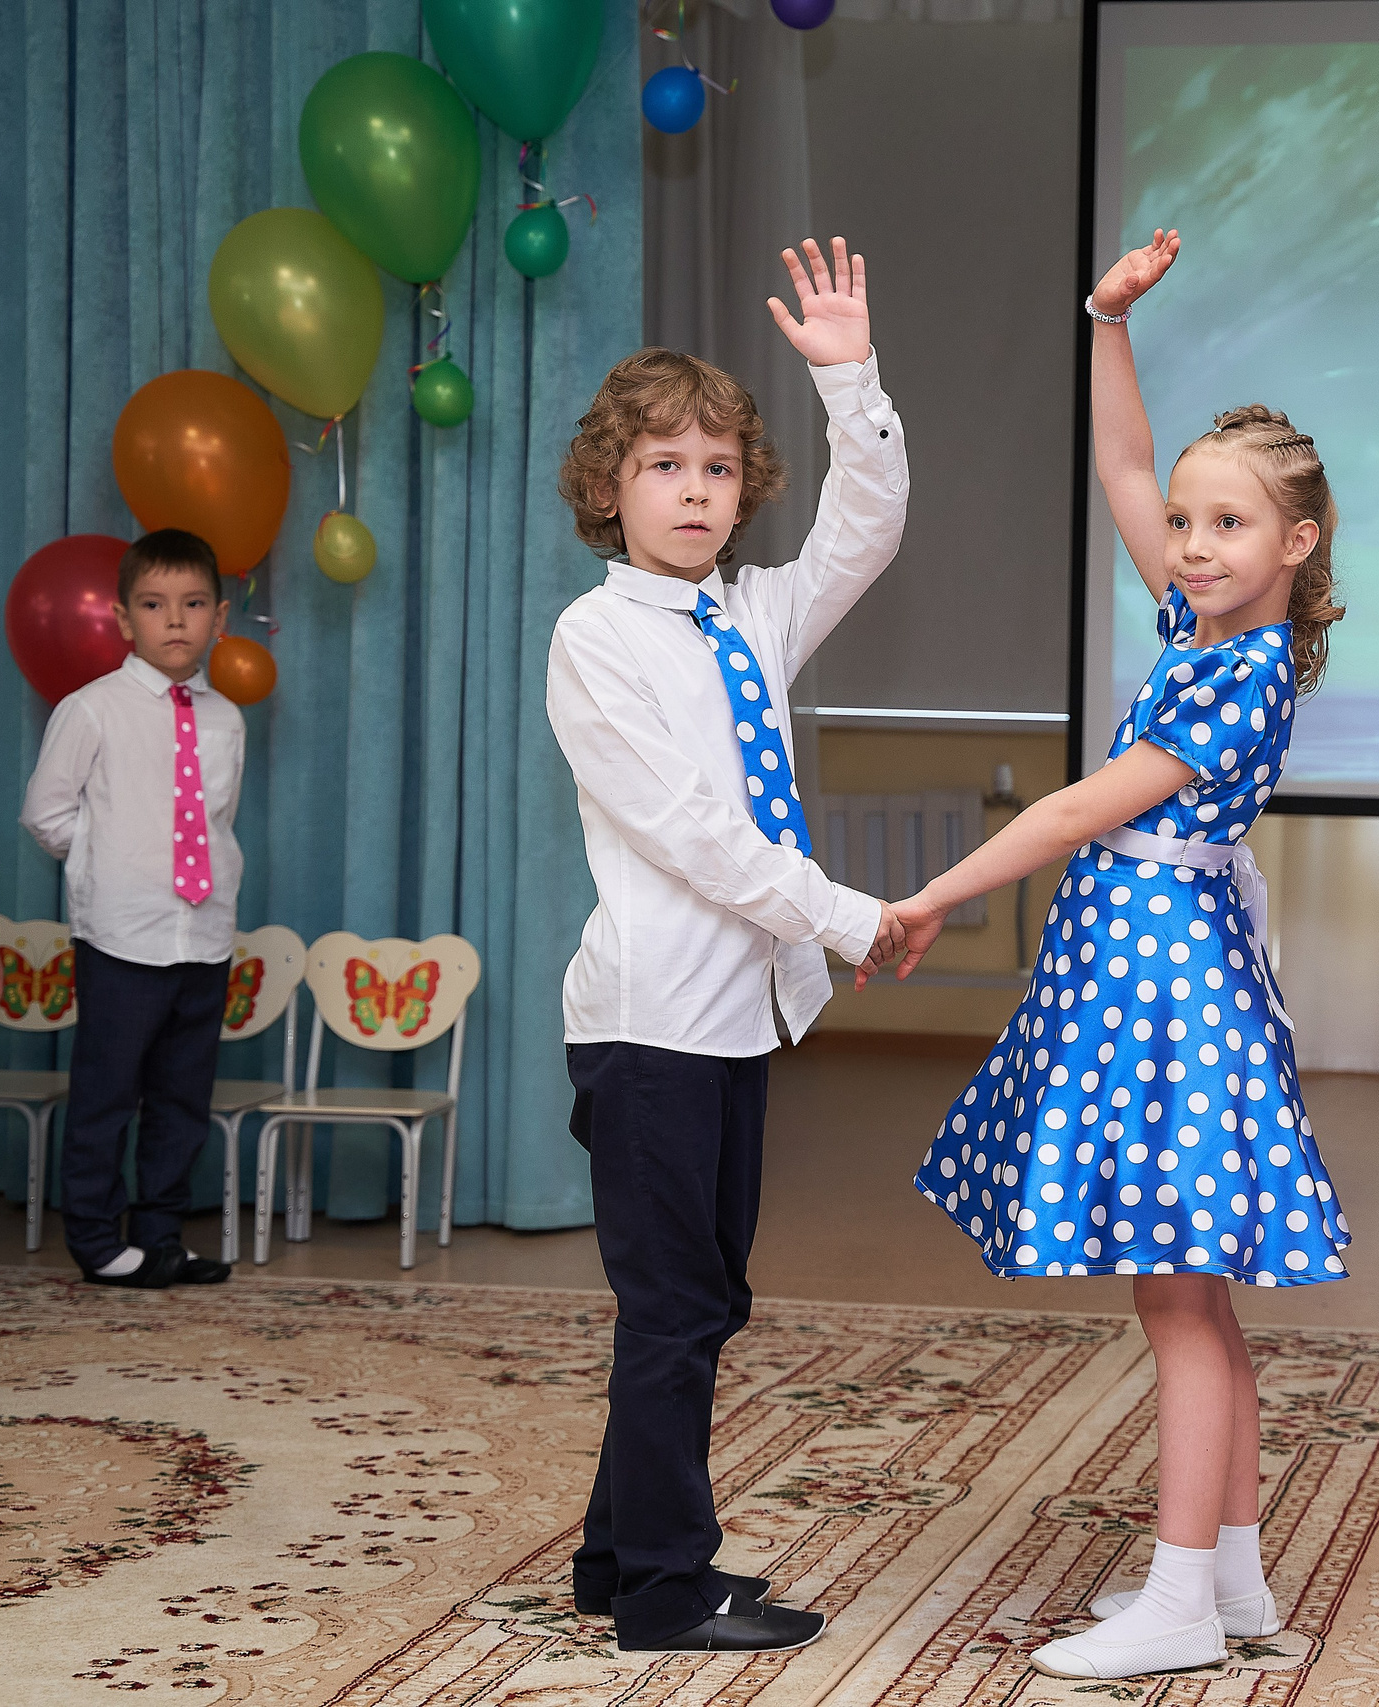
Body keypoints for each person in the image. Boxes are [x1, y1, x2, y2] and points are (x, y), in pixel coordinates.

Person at [862, 229, 1348, 1681]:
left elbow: (1081, 805)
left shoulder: (1243, 668)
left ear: (1297, 545)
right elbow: (1127, 470)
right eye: (1191, 525)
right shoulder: (1204, 622)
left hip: (1169, 978)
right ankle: (1240, 1572)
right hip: (1142, 955)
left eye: (1229, 526)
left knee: (1180, 1298)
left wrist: (935, 890)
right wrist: (1104, 320)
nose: (1192, 543)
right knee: (1191, 1295)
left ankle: (1182, 1593)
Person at [544, 238, 907, 1656]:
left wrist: (850, 381)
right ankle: (663, 1590)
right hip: (646, 1028)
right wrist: (849, 917)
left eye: (714, 468)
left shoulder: (750, 618)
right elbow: (697, 831)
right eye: (661, 467)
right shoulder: (598, 639)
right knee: (676, 1303)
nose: (693, 491)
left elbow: (866, 529)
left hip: (736, 1017)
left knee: (699, 1297)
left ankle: (609, 1550)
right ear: (609, 487)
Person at [20, 528, 245, 1288]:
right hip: (122, 934)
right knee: (106, 1093)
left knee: (181, 1100)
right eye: (154, 605)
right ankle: (94, 1238)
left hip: (203, 936)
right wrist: (106, 857)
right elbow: (46, 813)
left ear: (219, 618)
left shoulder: (225, 719)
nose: (174, 621)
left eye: (192, 605)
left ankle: (160, 1236)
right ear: (124, 619)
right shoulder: (91, 709)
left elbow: (216, 817)